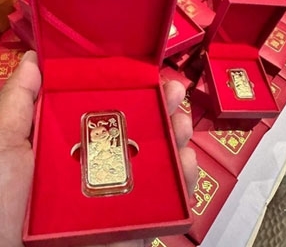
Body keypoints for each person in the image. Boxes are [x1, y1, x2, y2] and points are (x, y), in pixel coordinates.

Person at [0, 51, 197, 247]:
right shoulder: (94, 131)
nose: (101, 133)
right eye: (98, 132)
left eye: (102, 131)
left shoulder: (110, 132)